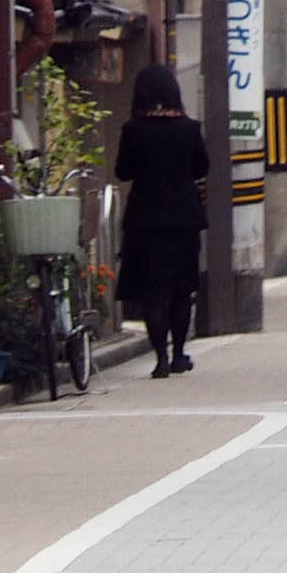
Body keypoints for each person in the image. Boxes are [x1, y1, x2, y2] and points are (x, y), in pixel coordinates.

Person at [113, 63, 209, 377]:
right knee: (182, 290)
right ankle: (180, 353)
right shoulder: (189, 128)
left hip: (145, 220)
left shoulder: (133, 130)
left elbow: (123, 171)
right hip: (183, 219)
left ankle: (161, 360)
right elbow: (202, 168)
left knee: (153, 292)